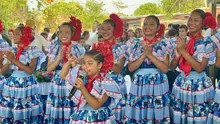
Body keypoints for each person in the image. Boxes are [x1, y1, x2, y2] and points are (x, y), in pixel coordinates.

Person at [170, 9, 216, 123]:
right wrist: (177, 55)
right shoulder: (183, 40)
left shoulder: (206, 42)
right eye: (190, 19)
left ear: (203, 23)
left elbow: (200, 68)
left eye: (196, 20)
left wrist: (183, 51)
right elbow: (172, 67)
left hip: (198, 85)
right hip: (182, 83)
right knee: (183, 117)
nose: (191, 22)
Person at [124, 15, 171, 123]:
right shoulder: (134, 43)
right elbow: (131, 68)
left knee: (156, 113)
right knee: (139, 113)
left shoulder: (164, 44)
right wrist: (143, 56)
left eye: (151, 24)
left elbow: (165, 69)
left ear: (158, 27)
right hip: (139, 84)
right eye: (145, 24)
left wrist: (150, 56)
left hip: (158, 83)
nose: (147, 26)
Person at [60, 41, 122, 123]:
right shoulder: (82, 77)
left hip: (97, 118)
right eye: (84, 63)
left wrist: (83, 89)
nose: (85, 67)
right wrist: (69, 62)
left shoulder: (105, 83)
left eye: (90, 63)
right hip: (81, 116)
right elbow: (63, 75)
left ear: (99, 65)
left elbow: (96, 105)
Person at [0, 26, 46, 123]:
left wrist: (13, 60)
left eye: (17, 34)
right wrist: (3, 61)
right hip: (12, 85)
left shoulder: (33, 50)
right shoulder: (12, 50)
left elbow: (30, 71)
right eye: (13, 34)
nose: (13, 36)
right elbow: (3, 71)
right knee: (12, 110)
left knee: (26, 109)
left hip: (27, 84)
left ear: (25, 36)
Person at [44, 17, 85, 124]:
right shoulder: (54, 46)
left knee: (71, 106)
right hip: (58, 82)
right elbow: (49, 68)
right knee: (58, 108)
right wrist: (59, 58)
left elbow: (83, 67)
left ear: (72, 34)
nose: (63, 35)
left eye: (67, 32)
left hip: (73, 82)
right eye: (61, 32)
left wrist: (72, 58)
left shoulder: (78, 47)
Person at [100, 14, 127, 123]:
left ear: (115, 30)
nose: (105, 32)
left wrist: (106, 57)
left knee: (115, 114)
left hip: (116, 83)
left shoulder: (121, 47)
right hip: (100, 83)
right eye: (103, 29)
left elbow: (118, 69)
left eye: (109, 29)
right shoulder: (97, 46)